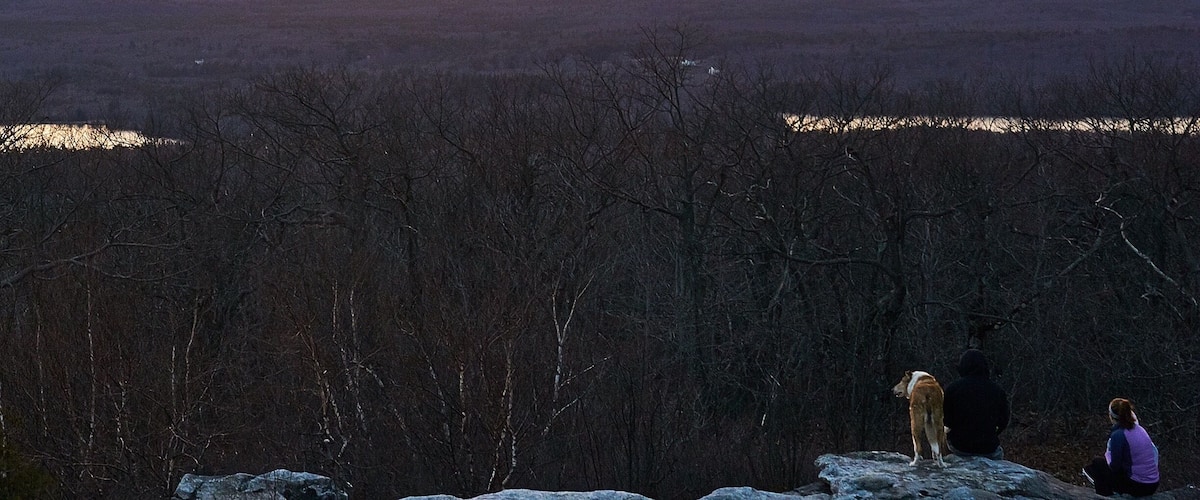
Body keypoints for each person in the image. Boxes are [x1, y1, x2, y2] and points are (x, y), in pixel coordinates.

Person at [1082, 398, 1160, 497]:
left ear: (1111, 416)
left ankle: (1106, 496)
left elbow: (1114, 466)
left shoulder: (1119, 435)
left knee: (1097, 464)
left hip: (1139, 486)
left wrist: (1108, 455)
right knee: (1096, 466)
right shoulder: (1140, 429)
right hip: (1153, 484)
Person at [942, 348, 1010, 460]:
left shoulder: (953, 389)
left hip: (959, 448)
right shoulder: (997, 390)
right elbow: (1003, 421)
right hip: (989, 448)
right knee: (998, 453)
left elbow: (946, 420)